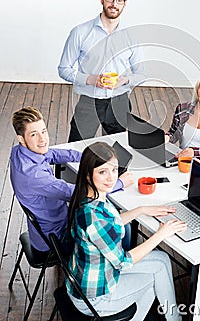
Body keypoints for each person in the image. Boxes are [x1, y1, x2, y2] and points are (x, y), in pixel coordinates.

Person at [67, 142, 186, 320]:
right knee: (155, 278)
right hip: (96, 297)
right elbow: (123, 262)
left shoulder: (92, 199)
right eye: (102, 172)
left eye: (114, 170)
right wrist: (160, 234)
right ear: (88, 175)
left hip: (90, 277)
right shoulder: (94, 218)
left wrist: (141, 209)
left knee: (162, 259)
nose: (111, 178)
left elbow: (111, 225)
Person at [10, 106, 134, 255]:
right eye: (34, 135)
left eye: (43, 131)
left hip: (49, 226)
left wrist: (88, 158)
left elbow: (52, 154)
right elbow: (78, 194)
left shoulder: (20, 152)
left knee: (108, 213)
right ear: (21, 139)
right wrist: (119, 183)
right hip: (56, 238)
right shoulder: (33, 175)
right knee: (122, 226)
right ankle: (118, 269)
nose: (42, 139)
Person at [58, 0, 145, 142]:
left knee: (118, 152)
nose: (114, 4)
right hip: (89, 102)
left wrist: (124, 80)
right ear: (102, 0)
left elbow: (142, 74)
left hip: (119, 102)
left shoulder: (131, 37)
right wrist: (91, 79)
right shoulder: (80, 32)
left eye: (119, 0)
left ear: (125, 4)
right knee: (75, 149)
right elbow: (64, 69)